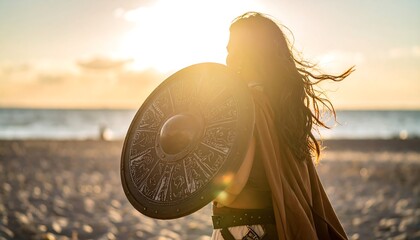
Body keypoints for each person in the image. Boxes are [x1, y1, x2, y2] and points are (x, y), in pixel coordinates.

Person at [211, 12, 354, 240]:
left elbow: (233, 187)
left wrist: (203, 177)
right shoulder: (280, 106)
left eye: (231, 51)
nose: (228, 59)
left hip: (243, 231)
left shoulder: (247, 106)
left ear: (247, 55)